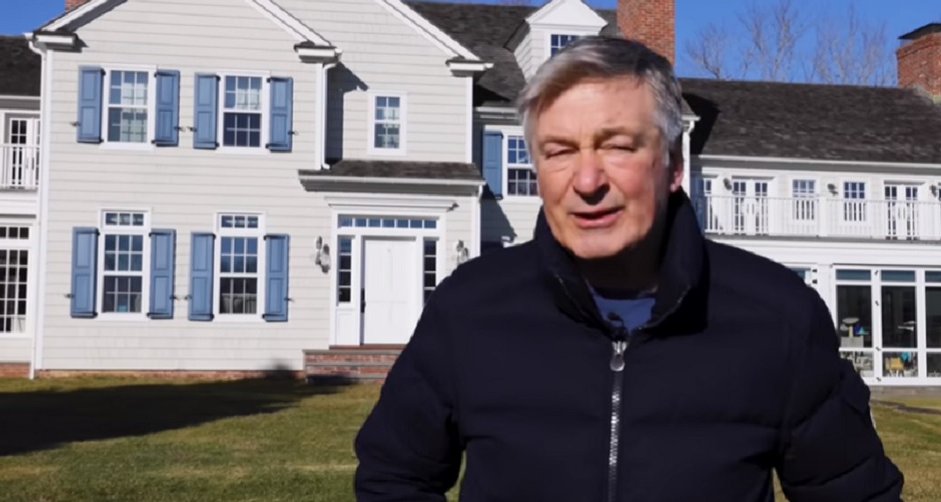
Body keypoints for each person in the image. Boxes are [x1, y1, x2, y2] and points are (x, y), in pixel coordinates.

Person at [352, 36, 904, 501]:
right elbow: (393, 477)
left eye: (617, 146)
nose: (587, 181)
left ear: (673, 166)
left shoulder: (777, 314)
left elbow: (852, 493)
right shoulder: (469, 309)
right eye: (559, 151)